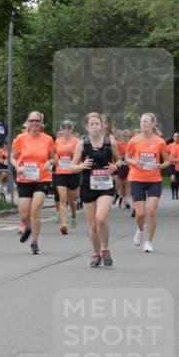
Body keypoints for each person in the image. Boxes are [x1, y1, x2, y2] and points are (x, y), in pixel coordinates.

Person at [69, 113, 120, 266]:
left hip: (106, 186)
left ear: (102, 125)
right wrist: (82, 166)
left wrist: (115, 166)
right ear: (87, 127)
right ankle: (96, 254)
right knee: (92, 224)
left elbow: (120, 160)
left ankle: (105, 249)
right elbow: (72, 167)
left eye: (97, 124)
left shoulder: (110, 142)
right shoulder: (82, 144)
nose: (94, 127)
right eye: (91, 124)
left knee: (101, 218)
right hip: (87, 186)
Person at [10, 111, 55, 254]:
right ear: (28, 123)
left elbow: (54, 157)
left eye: (37, 121)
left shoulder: (48, 139)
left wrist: (49, 162)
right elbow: (13, 157)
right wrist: (17, 167)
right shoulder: (20, 139)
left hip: (42, 178)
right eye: (31, 121)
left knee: (35, 210)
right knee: (24, 215)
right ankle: (28, 228)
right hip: (24, 178)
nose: (34, 123)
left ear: (41, 123)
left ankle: (34, 242)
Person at [125, 113, 170, 253]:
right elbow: (127, 158)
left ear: (152, 124)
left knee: (151, 211)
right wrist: (134, 162)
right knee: (139, 214)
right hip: (137, 178)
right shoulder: (134, 140)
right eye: (141, 121)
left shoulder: (160, 142)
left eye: (145, 121)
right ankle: (140, 229)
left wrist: (161, 166)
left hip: (154, 180)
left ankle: (149, 242)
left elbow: (167, 161)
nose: (143, 124)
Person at [54, 120, 80, 233]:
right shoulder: (57, 141)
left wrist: (73, 152)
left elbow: (80, 159)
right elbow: (55, 155)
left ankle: (74, 215)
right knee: (63, 198)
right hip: (61, 172)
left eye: (69, 127)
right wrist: (55, 160)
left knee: (71, 200)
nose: (66, 130)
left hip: (73, 173)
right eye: (64, 127)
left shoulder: (77, 141)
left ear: (72, 129)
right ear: (61, 129)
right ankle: (64, 224)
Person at [115, 130, 131, 209]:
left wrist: (129, 157)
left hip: (129, 166)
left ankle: (126, 201)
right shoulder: (118, 144)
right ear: (122, 136)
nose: (126, 137)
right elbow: (116, 155)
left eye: (127, 135)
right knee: (122, 184)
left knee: (127, 184)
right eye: (124, 135)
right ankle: (121, 198)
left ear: (130, 136)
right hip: (121, 165)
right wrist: (122, 156)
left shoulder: (131, 144)